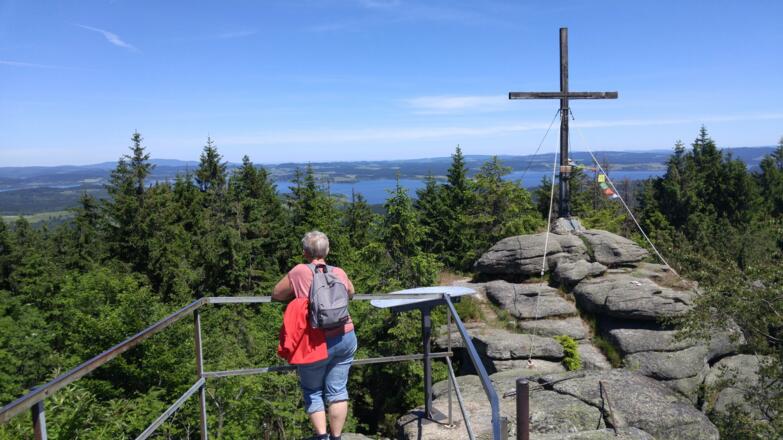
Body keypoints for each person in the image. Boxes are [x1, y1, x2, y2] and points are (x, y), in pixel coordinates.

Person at [273, 231, 357, 440]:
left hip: (315, 341)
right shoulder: (339, 271)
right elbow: (351, 293)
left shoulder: (299, 271)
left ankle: (322, 437)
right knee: (338, 390)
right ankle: (337, 437)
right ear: (327, 251)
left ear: (305, 252)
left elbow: (276, 294)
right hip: (345, 335)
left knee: (313, 391)